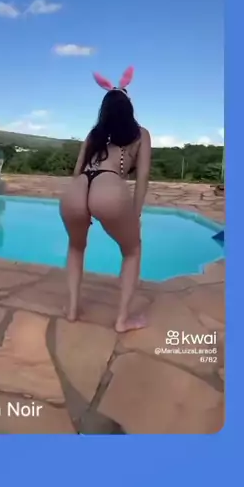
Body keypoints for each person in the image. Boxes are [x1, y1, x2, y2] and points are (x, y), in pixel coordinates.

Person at [60, 66, 152, 332]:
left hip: (77, 189)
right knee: (132, 250)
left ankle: (72, 310)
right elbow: (143, 177)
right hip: (108, 188)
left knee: (76, 247)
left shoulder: (94, 135)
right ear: (129, 108)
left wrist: (83, 206)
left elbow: (77, 170)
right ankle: (122, 319)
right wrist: (135, 213)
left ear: (104, 110)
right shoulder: (141, 134)